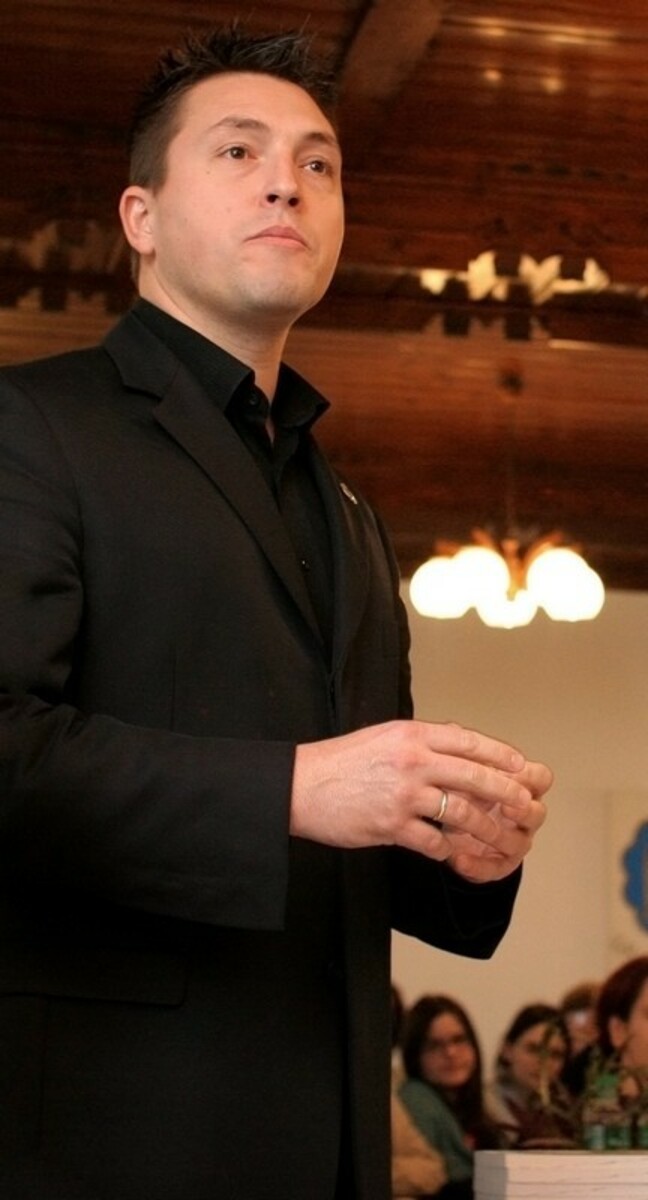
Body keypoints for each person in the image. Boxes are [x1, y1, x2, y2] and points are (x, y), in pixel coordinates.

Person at [0, 22, 551, 1200]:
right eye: (239, 150)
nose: (286, 182)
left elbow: (356, 832)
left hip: (336, 1142)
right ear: (141, 218)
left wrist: (464, 850)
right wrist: (292, 789)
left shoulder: (348, 509)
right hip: (108, 1142)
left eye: (318, 162)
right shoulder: (31, 427)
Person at [399, 995, 502, 1195]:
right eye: (434, 1045)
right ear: (415, 1055)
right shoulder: (414, 1099)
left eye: (459, 1040)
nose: (451, 1053)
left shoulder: (478, 1106)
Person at [487, 1003, 577, 1147]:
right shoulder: (483, 1108)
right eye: (534, 1049)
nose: (544, 1063)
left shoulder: (567, 1115)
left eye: (555, 1055)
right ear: (507, 1050)